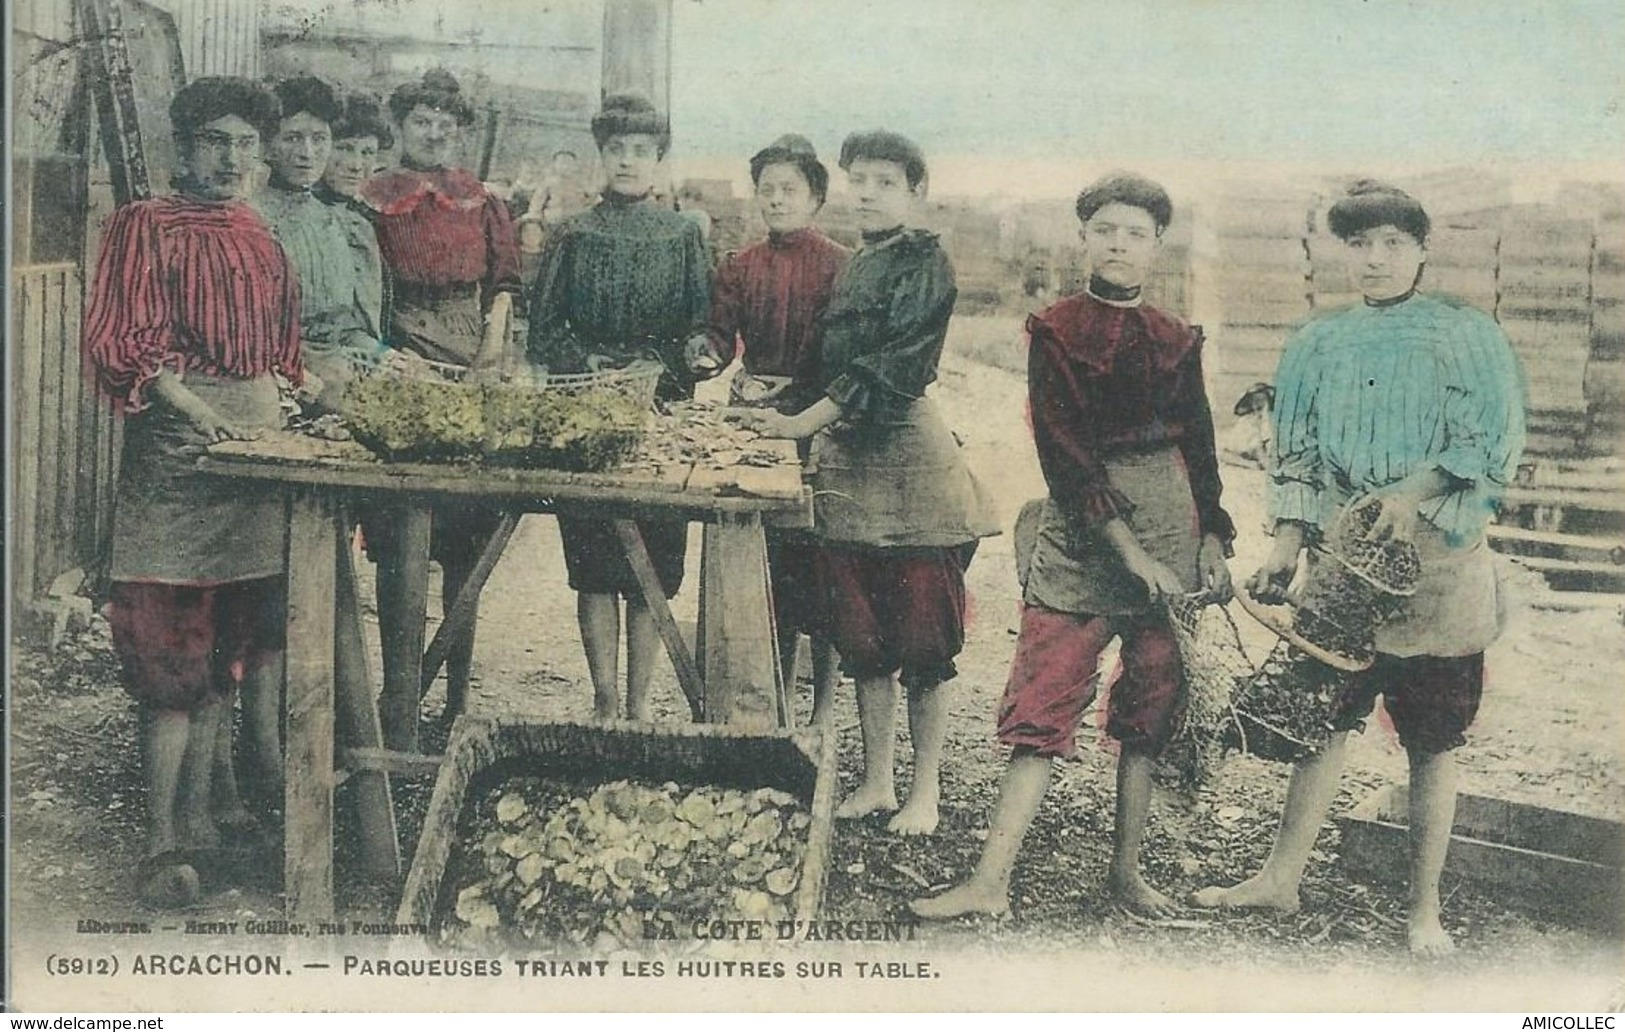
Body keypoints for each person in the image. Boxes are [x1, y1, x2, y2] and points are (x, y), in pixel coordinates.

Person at [1192, 181, 1526, 956]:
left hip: (1438, 566)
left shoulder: (1466, 334)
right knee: (1320, 720)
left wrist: (1413, 493)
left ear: (1419, 252)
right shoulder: (1316, 341)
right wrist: (1284, 543)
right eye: (1359, 245)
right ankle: (1279, 880)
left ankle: (1422, 910)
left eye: (1391, 245)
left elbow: (1490, 438)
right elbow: (1298, 454)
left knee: (1432, 739)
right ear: (1339, 251)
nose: (1373, 259)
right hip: (1342, 564)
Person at [912, 173, 1234, 917]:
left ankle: (1125, 875)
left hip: (1171, 532)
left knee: (1149, 707)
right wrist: (1128, 553)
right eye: (1106, 229)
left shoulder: (1176, 339)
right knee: (1044, 702)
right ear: (1082, 235)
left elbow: (1202, 448)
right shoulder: (1054, 330)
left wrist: (1211, 537)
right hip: (1088, 536)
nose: (1120, 244)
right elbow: (1064, 456)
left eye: (1136, 233)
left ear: (1156, 246)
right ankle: (989, 882)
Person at [82, 77, 302, 905]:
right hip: (178, 453)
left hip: (253, 447)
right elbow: (122, 343)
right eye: (214, 141)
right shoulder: (144, 226)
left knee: (232, 643)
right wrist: (198, 412)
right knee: (171, 651)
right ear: (183, 146)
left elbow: (284, 353)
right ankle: (160, 840)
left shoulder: (259, 230)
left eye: (245, 144)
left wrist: (303, 401)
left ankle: (212, 815)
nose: (230, 157)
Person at [739, 130, 996, 835]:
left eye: (884, 181)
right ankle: (877, 781)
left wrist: (801, 425)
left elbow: (893, 368)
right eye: (858, 180)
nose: (867, 192)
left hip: (911, 465)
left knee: (923, 644)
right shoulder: (856, 267)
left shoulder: (925, 264)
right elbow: (825, 364)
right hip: (850, 463)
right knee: (862, 637)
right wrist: (768, 407)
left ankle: (925, 793)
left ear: (916, 193)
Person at [527, 93, 716, 721]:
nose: (629, 161)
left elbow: (702, 325)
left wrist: (675, 363)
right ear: (600, 156)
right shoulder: (571, 233)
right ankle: (604, 699)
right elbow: (545, 328)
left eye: (642, 151)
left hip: (659, 415)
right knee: (594, 563)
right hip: (585, 414)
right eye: (617, 150)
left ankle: (639, 704)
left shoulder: (685, 234)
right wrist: (588, 366)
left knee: (654, 566)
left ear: (659, 160)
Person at [360, 68, 523, 720]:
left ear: (460, 132)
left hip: (471, 367)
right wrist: (390, 357)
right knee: (402, 541)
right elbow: (364, 293)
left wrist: (491, 349)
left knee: (466, 540)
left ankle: (457, 699)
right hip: (402, 367)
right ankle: (399, 695)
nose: (433, 133)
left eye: (445, 124)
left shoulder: (483, 202)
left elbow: (505, 284)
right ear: (399, 128)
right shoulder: (370, 200)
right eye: (421, 121)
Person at [706, 134, 850, 726]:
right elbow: (717, 339)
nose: (776, 200)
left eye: (789, 189)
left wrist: (794, 395)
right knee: (767, 563)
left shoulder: (844, 266)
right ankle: (776, 698)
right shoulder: (740, 266)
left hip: (817, 419)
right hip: (755, 417)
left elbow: (843, 354)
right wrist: (704, 354)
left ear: (815, 196)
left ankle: (822, 707)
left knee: (824, 563)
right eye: (767, 189)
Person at [254, 75, 387, 416]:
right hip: (278, 381)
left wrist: (384, 355)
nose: (307, 153)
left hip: (336, 373)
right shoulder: (252, 220)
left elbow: (342, 329)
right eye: (293, 138)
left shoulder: (332, 221)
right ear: (267, 144)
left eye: (319, 139)